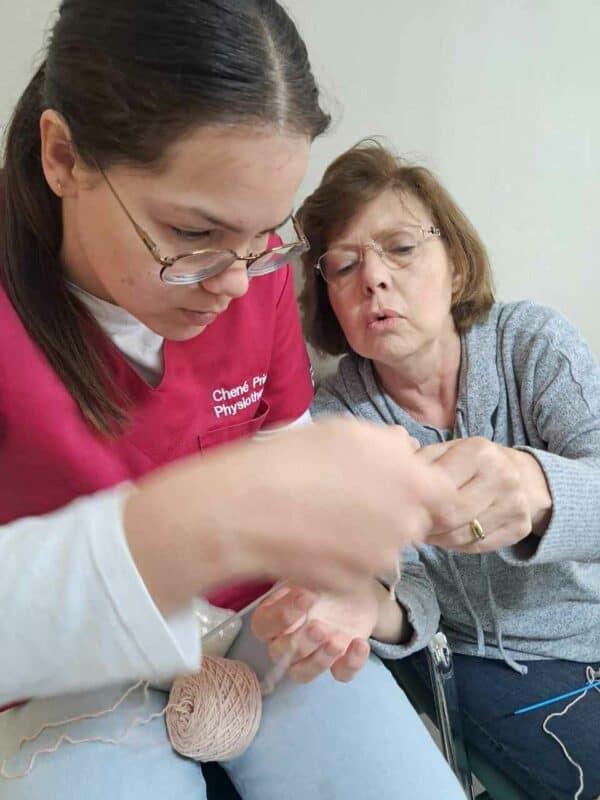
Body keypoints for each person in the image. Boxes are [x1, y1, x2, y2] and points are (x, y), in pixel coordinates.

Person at [0, 4, 466, 799]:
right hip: (55, 668)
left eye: (265, 236)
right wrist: (186, 531)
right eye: (192, 233)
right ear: (63, 156)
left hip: (255, 626)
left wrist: (338, 576)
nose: (232, 283)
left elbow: (282, 458)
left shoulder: (254, 279)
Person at [299, 139, 600, 800]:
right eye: (344, 266)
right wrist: (369, 607)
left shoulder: (532, 344)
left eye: (400, 249)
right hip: (506, 670)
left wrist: (538, 487)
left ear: (457, 267)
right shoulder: (334, 420)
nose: (373, 278)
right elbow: (405, 586)